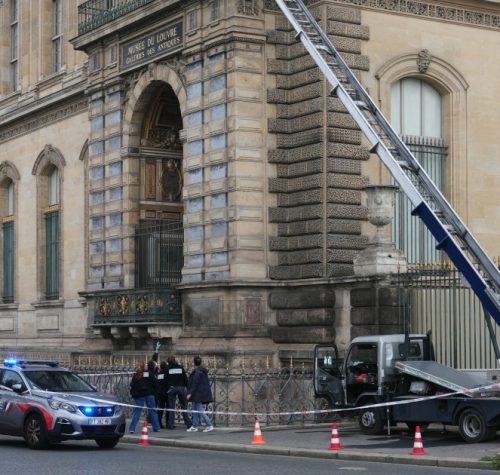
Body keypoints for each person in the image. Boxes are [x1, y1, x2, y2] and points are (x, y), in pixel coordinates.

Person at [128, 361, 161, 433]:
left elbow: (132, 386)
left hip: (139, 395)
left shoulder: (136, 375)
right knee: (153, 411)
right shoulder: (149, 373)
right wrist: (154, 391)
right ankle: (156, 428)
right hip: (149, 394)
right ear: (144, 366)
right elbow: (155, 383)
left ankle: (132, 428)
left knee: (137, 412)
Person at [186, 356, 214, 433]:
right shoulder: (202, 371)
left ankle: (209, 425)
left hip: (197, 394)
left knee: (200, 410)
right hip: (199, 393)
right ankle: (194, 426)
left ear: (194, 363)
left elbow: (195, 384)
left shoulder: (197, 372)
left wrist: (190, 393)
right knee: (195, 410)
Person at [166, 355, 192, 430]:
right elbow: (185, 378)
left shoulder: (168, 369)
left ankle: (171, 425)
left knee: (171, 407)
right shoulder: (180, 367)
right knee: (184, 406)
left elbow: (166, 379)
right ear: (175, 360)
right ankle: (188, 424)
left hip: (172, 388)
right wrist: (188, 388)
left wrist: (167, 388)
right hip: (181, 387)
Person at [156, 360, 169, 428]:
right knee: (168, 409)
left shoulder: (159, 374)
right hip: (166, 392)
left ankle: (159, 423)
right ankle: (168, 423)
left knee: (160, 409)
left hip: (160, 393)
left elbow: (157, 382)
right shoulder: (167, 373)